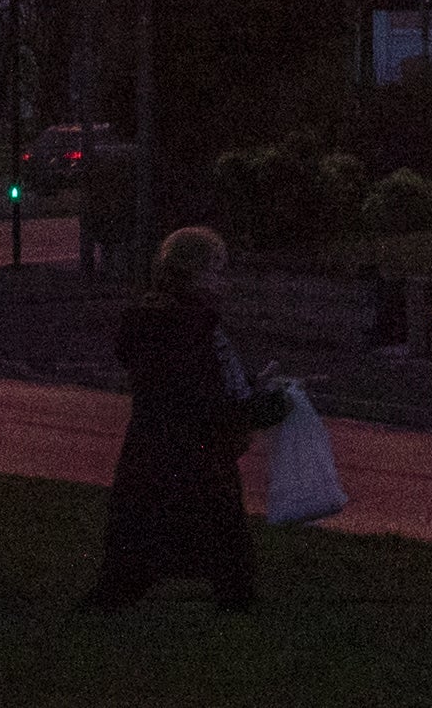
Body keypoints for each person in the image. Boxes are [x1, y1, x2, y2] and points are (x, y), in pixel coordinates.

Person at [86, 224, 289, 610]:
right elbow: (199, 396)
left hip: (156, 452)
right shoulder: (186, 328)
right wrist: (254, 409)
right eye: (215, 271)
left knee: (143, 535)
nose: (223, 281)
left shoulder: (168, 323)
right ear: (191, 275)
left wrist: (247, 389)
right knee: (216, 530)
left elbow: (202, 385)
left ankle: (124, 591)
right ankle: (232, 597)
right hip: (191, 454)